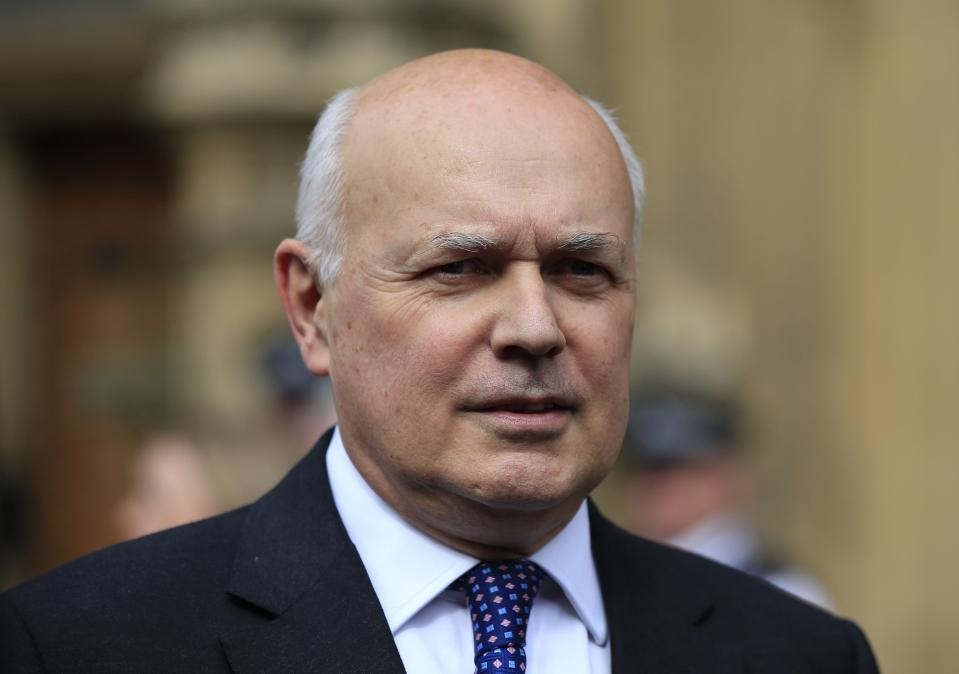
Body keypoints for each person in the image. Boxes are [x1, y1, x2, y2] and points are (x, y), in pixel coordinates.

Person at [1, 49, 878, 673]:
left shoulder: (795, 652)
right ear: (311, 307)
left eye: (582, 270)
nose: (534, 327)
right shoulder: (81, 646)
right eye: (460, 269)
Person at [622, 389, 834, 609]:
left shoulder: (784, 590)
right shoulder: (614, 576)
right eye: (647, 470)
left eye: (688, 470)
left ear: (730, 475)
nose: (664, 488)